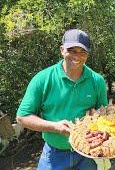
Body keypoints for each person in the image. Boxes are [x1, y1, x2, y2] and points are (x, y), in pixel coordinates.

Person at [16, 29, 108, 170]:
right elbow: (22, 117)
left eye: (82, 51)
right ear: (62, 50)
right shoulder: (42, 79)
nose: (77, 56)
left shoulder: (97, 81)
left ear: (87, 54)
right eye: (72, 50)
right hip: (54, 155)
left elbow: (104, 115)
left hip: (87, 155)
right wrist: (54, 127)